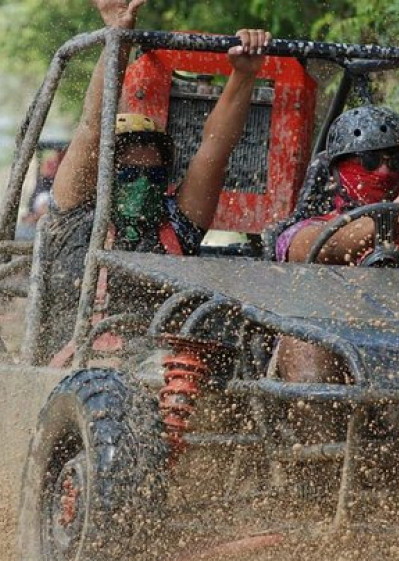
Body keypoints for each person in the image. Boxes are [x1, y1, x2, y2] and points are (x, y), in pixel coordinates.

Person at [38, 0, 270, 362]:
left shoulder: (175, 225)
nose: (141, 184)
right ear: (102, 177)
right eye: (128, 174)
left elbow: (215, 149)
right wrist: (119, 37)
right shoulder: (75, 218)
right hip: (68, 368)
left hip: (155, 372)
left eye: (152, 175)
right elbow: (92, 126)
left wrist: (243, 74)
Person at [274, 105, 399, 383]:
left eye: (398, 161)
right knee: (305, 341)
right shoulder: (306, 230)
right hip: (329, 360)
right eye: (369, 160)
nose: (385, 171)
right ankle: (323, 429)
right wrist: (389, 220)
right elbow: (314, 248)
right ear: (338, 169)